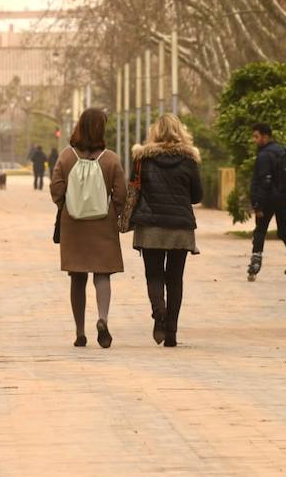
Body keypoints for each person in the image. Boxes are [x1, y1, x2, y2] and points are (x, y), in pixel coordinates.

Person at [50, 107, 126, 348]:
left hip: (74, 224)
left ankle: (80, 331)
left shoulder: (66, 157)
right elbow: (121, 194)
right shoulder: (111, 159)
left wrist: (68, 206)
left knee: (77, 276)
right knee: (102, 274)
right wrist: (113, 211)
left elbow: (56, 189)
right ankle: (102, 319)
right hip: (103, 223)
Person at [130, 114, 203, 347]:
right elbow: (197, 196)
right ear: (180, 131)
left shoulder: (143, 159)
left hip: (150, 226)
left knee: (153, 275)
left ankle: (158, 312)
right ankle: (171, 332)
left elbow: (135, 188)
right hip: (180, 228)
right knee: (175, 279)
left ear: (154, 132)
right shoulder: (189, 160)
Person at [248, 122, 286, 282]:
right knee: (285, 231)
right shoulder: (282, 151)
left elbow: (264, 181)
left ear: (265, 136)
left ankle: (255, 264)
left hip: (267, 200)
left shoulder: (264, 155)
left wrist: (258, 204)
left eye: (256, 136)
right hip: (283, 199)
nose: (254, 140)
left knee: (260, 230)